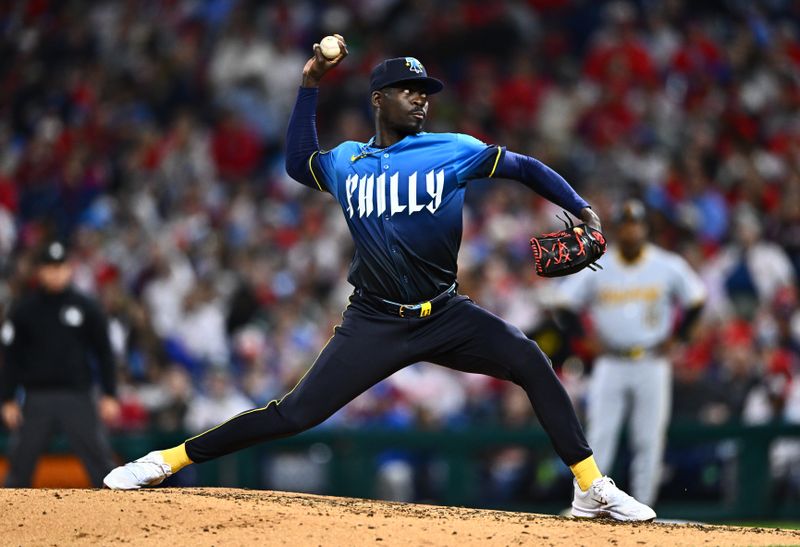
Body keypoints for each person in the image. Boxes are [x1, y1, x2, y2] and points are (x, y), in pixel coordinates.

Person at [104, 37, 655, 521]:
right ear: (378, 99)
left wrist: (582, 209)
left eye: (424, 91)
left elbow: (523, 166)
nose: (420, 97)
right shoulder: (348, 160)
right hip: (373, 320)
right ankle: (164, 462)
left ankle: (591, 487)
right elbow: (298, 164)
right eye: (407, 89)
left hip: (445, 313)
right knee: (294, 413)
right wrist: (310, 84)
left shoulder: (452, 150)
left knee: (531, 359)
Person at [552, 199, 706, 507]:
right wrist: (584, 340)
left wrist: (679, 338)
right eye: (625, 225)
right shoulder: (599, 264)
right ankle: (591, 506)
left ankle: (643, 506)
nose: (630, 231)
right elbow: (563, 303)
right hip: (610, 361)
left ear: (645, 229)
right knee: (599, 438)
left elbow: (697, 299)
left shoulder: (667, 264)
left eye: (635, 224)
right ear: (618, 231)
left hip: (652, 361)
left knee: (648, 439)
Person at [0, 240, 120, 487]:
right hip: (37, 397)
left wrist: (109, 393)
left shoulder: (86, 306)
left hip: (77, 395)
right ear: (40, 271)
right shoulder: (24, 310)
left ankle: (121, 517)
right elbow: (11, 358)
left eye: (60, 266)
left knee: (101, 464)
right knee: (19, 466)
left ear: (69, 269)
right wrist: (8, 398)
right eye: (50, 267)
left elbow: (104, 352)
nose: (55, 272)